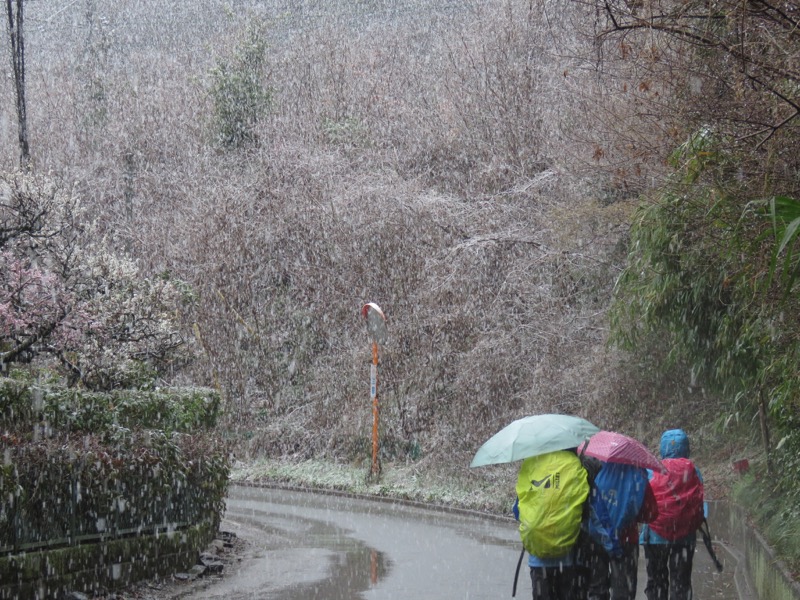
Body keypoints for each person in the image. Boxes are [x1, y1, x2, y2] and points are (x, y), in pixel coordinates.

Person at [512, 449, 598, 600]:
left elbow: (518, 511)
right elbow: (586, 509)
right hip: (568, 557)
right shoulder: (575, 465)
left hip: (539, 560)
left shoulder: (533, 463)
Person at [640, 429, 705, 600]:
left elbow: (643, 500)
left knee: (656, 581)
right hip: (684, 538)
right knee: (681, 583)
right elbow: (700, 503)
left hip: (655, 538)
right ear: (686, 448)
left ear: (663, 448)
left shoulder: (652, 470)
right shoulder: (693, 471)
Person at [586, 462, 658, 600]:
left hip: (597, 537)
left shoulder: (597, 471)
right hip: (626, 541)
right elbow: (651, 513)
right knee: (623, 589)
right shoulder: (639, 476)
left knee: (596, 587)